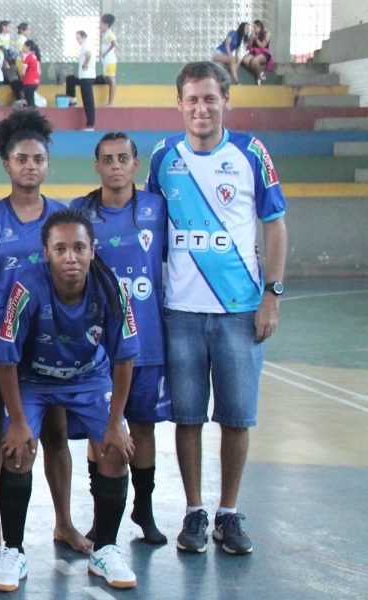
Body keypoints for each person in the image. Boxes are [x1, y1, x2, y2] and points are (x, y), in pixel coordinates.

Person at [147, 60, 287, 556]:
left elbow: (274, 224)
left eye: (210, 98)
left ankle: (228, 512)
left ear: (226, 100)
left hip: (240, 310)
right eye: (192, 99)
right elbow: (152, 230)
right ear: (179, 103)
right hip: (180, 312)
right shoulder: (163, 157)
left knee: (236, 417)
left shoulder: (252, 153)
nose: (201, 107)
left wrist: (272, 294)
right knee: (187, 416)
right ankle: (193, 510)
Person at [0, 208, 141, 592]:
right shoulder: (26, 288)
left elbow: (124, 360)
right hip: (34, 379)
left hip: (88, 378)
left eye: (79, 247)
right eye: (61, 249)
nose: (70, 257)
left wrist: (115, 425)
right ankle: (13, 550)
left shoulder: (111, 289)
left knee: (112, 450)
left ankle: (106, 548)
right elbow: (5, 357)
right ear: (46, 253)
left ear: (92, 250)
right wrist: (20, 422)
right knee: (18, 449)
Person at [0, 109, 74, 558]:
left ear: (48, 164)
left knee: (55, 435)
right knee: (2, 436)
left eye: (38, 158)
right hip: (7, 351)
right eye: (21, 158)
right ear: (6, 164)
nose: (30, 165)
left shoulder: (64, 219)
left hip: (56, 347)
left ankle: (64, 522)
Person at [71, 132, 169, 546]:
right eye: (107, 158)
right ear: (96, 165)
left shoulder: (157, 208)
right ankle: (102, 517)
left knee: (142, 426)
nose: (115, 165)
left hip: (147, 340)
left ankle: (143, 509)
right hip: (97, 347)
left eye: (123, 158)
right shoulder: (80, 210)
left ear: (135, 163)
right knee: (101, 432)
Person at [64, 31, 97, 129]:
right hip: (84, 76)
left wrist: (85, 64)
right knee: (70, 79)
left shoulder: (86, 45)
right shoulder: (86, 46)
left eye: (78, 38)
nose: (77, 40)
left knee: (88, 101)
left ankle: (90, 124)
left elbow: (88, 55)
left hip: (87, 78)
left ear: (83, 37)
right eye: (76, 38)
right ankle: (73, 101)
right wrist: (78, 73)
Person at [242, 20, 273, 85]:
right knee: (245, 60)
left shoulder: (267, 33)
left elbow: (262, 45)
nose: (254, 29)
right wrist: (251, 39)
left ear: (260, 27)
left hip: (263, 53)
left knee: (254, 61)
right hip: (253, 52)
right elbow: (249, 48)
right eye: (253, 28)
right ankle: (259, 74)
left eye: (255, 27)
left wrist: (256, 39)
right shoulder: (252, 34)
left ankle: (262, 76)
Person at [100, 15, 118, 105]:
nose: (100, 25)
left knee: (111, 79)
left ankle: (111, 102)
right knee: (108, 78)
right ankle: (110, 102)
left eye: (102, 24)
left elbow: (114, 44)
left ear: (106, 24)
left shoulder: (110, 33)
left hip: (110, 60)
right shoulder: (106, 34)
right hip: (107, 61)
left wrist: (105, 53)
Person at [20, 40, 41, 108]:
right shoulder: (37, 58)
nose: (22, 48)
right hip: (36, 83)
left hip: (29, 83)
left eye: (24, 46)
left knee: (31, 105)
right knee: (30, 103)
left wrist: (21, 78)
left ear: (28, 47)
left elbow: (23, 72)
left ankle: (34, 117)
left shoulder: (28, 57)